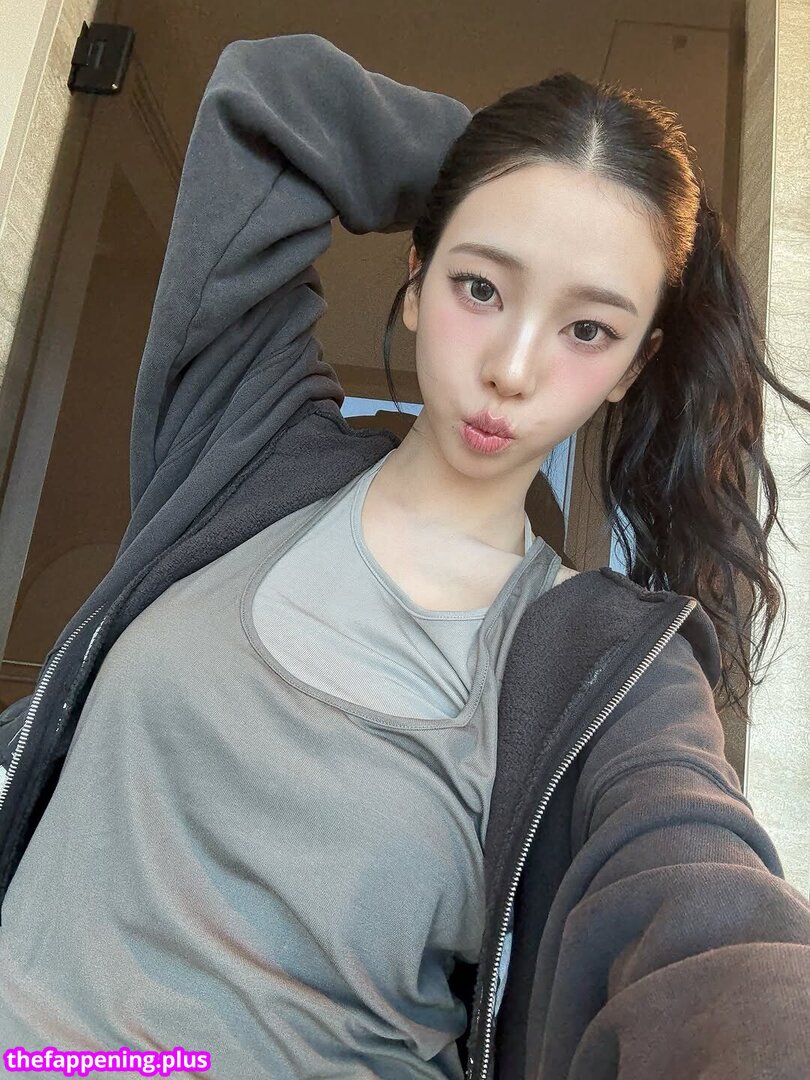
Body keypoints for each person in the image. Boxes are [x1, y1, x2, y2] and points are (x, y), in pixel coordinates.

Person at [0, 31, 809, 1080]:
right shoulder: (248, 453)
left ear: (633, 367)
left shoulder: (611, 668)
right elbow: (270, 103)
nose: (513, 368)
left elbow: (699, 902)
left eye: (588, 329)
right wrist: (532, 168)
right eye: (482, 287)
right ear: (418, 278)